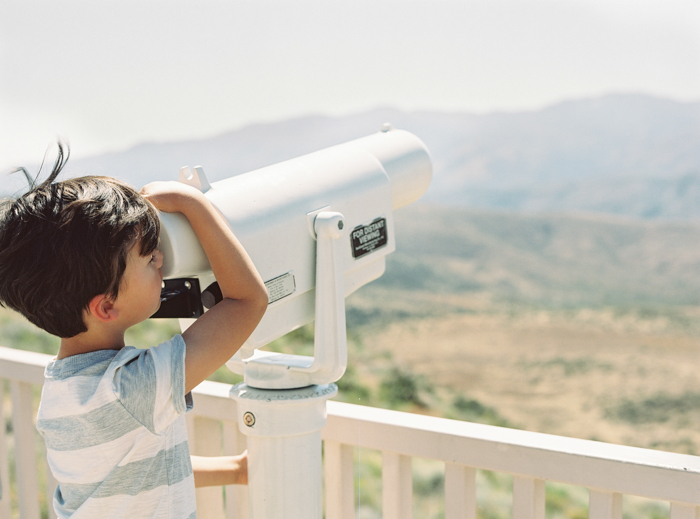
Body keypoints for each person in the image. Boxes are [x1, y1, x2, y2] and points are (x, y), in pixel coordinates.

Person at [0, 144, 268, 518]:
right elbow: (247, 301)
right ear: (106, 306)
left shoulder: (62, 393)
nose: (161, 260)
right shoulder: (132, 388)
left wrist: (236, 471)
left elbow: (133, 476)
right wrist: (195, 205)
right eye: (148, 257)